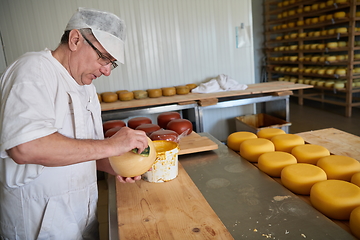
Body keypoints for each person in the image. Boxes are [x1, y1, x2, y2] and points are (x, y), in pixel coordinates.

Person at [0, 7, 148, 240]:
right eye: (104, 58)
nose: (107, 71)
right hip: (38, 226)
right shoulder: (33, 70)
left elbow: (84, 151)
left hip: (80, 219)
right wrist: (112, 145)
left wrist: (119, 165)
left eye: (112, 63)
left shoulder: (86, 87)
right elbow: (25, 147)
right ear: (75, 39)